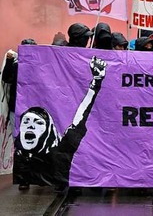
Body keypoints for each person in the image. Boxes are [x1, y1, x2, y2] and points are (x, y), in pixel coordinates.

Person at [13, 57, 106, 189]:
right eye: (26, 121)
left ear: (48, 130)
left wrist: (96, 82)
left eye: (38, 122)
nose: (31, 125)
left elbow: (80, 118)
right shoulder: (19, 154)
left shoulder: (60, 151)